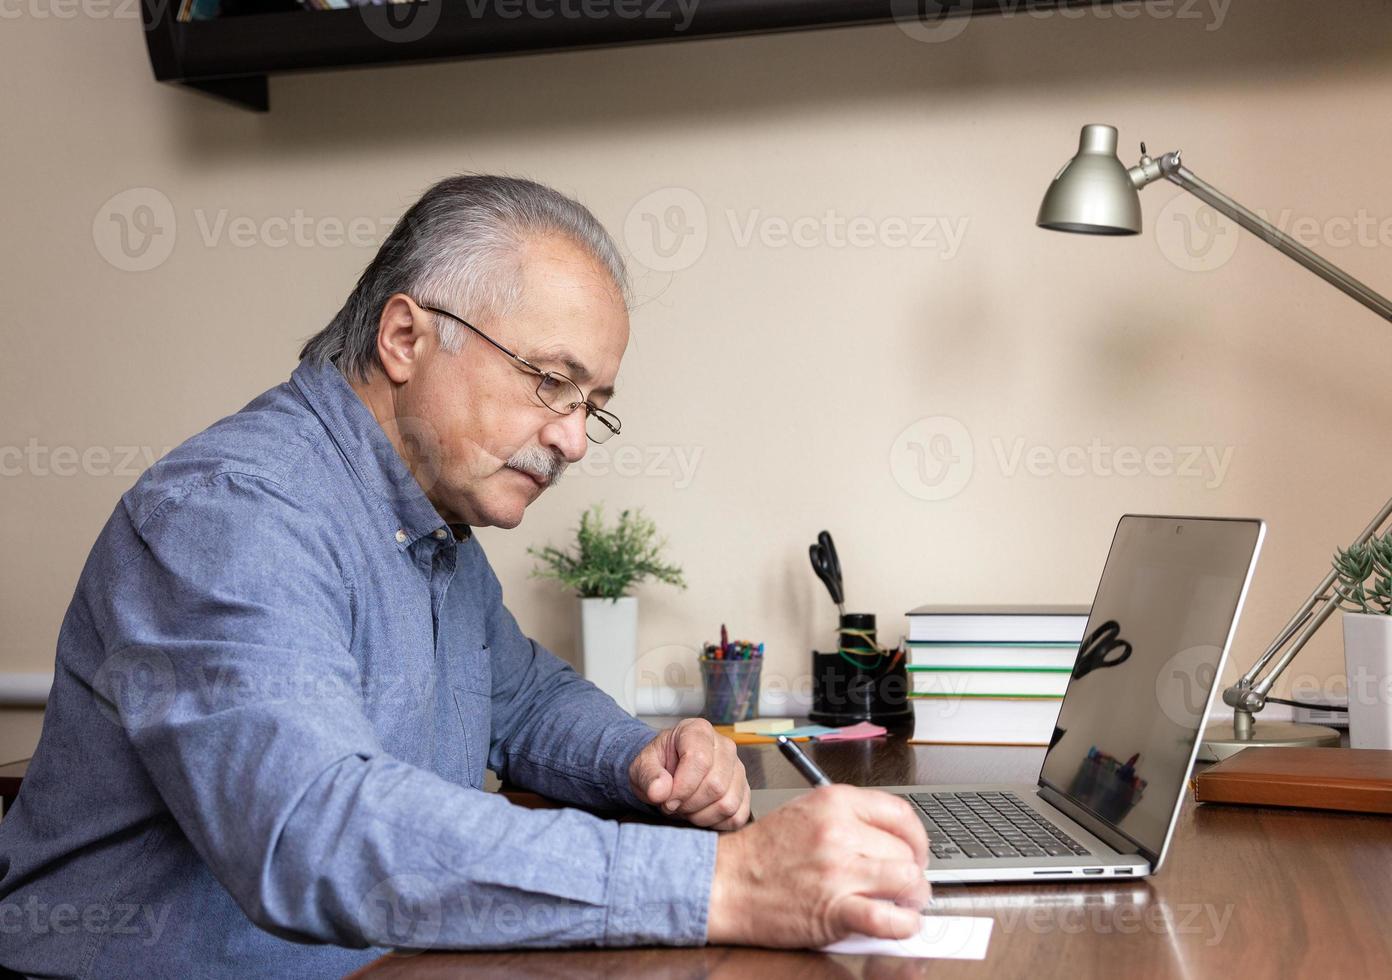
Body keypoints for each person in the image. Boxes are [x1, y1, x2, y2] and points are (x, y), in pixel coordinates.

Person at [0, 176, 930, 976]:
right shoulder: (232, 511)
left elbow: (520, 701)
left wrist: (640, 758)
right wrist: (728, 883)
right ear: (405, 336)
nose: (571, 437)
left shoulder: (429, 523)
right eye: (549, 381)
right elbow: (308, 832)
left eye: (592, 407)